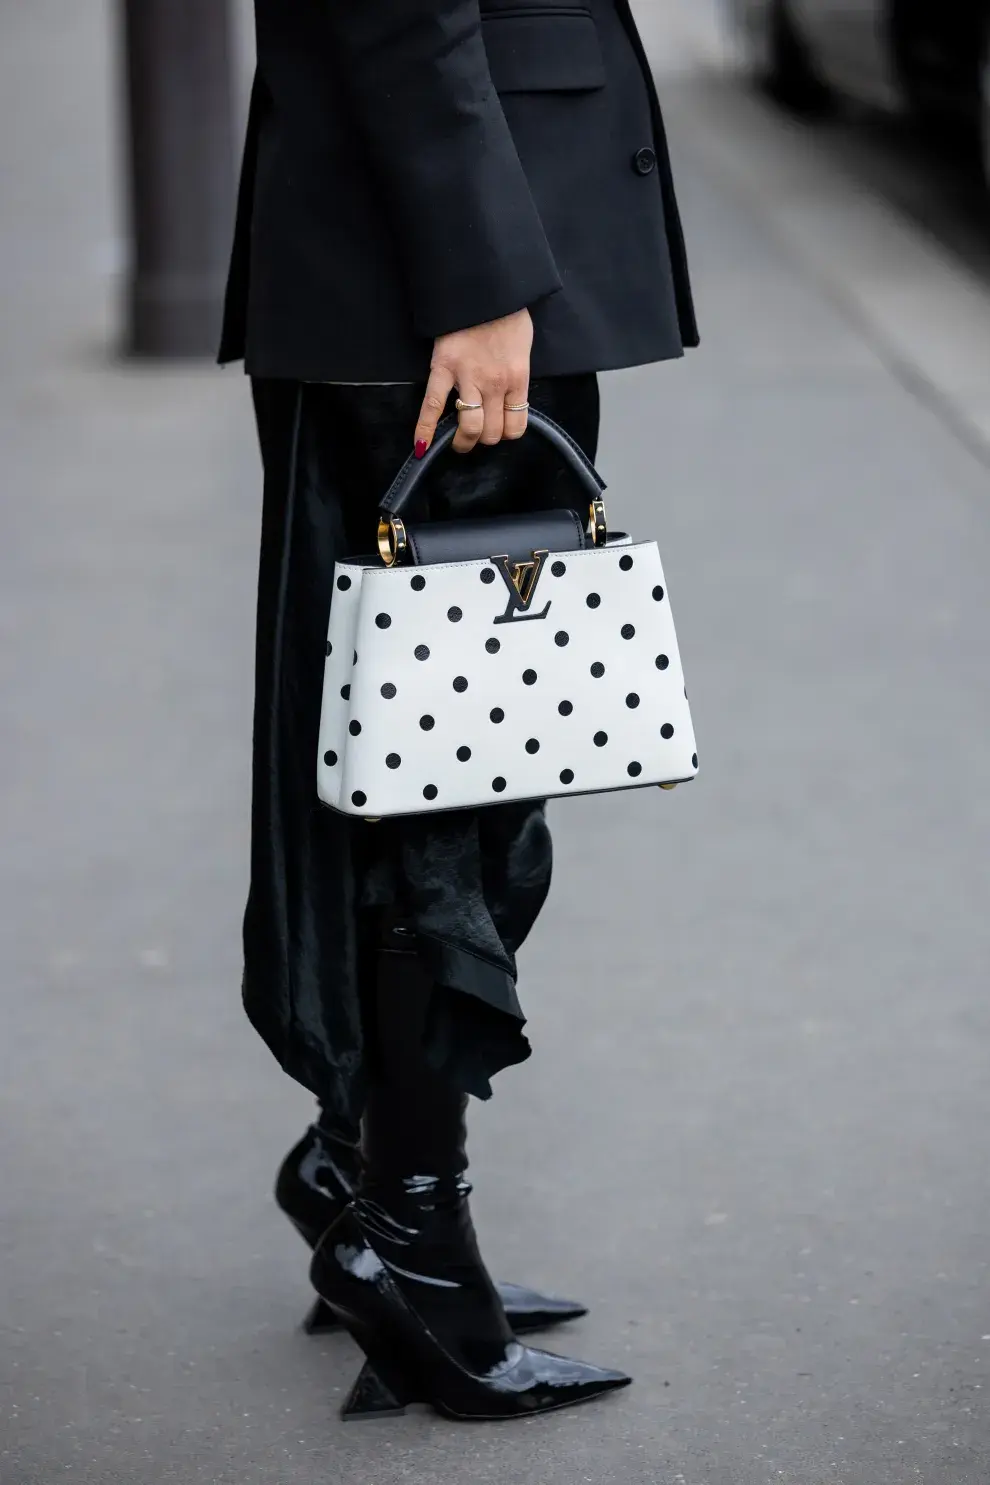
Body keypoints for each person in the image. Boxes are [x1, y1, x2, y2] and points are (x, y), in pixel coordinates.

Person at [219, 0, 697, 1423]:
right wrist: (481, 287)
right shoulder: (464, 296)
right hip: (438, 290)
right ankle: (409, 1245)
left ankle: (365, 1176)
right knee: (444, 790)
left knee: (420, 763)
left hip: (423, 267)